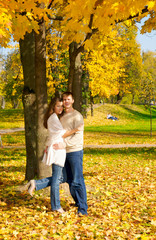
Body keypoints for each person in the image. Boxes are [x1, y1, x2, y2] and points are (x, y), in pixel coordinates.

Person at [21, 96, 82, 213]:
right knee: (56, 179)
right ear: (53, 107)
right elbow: (62, 134)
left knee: (62, 177)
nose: (60, 108)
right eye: (58, 106)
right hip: (57, 150)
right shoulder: (53, 118)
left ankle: (36, 183)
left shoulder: (55, 118)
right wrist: (76, 129)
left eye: (61, 106)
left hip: (58, 149)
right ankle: (56, 206)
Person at [53, 91, 88, 215]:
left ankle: (83, 209)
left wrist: (64, 144)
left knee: (77, 180)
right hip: (63, 152)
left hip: (74, 151)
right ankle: (78, 202)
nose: (66, 101)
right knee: (69, 179)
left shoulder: (77, 116)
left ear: (72, 101)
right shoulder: (61, 116)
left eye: (68, 99)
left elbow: (78, 135)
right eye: (64, 99)